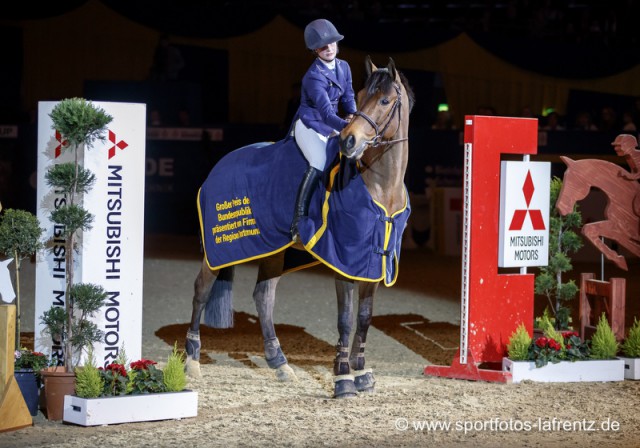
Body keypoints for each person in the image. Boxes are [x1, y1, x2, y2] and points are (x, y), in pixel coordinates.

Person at [288, 19, 357, 241]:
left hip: (333, 123)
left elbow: (348, 97)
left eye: (332, 43)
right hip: (311, 124)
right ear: (315, 50)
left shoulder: (344, 66)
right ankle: (298, 220)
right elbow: (326, 114)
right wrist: (348, 127)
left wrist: (354, 116)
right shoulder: (313, 76)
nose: (328, 48)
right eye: (323, 46)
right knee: (318, 162)